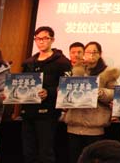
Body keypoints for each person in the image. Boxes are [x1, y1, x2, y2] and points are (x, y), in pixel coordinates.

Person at [21, 26, 72, 163]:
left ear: (52, 40)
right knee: (28, 151)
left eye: (45, 38)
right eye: (38, 39)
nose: (41, 41)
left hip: (48, 113)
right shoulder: (29, 62)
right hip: (28, 111)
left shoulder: (62, 62)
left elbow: (67, 87)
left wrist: (49, 92)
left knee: (45, 151)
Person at [64, 41, 120, 163]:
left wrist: (101, 92)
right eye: (88, 52)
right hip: (74, 124)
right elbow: (66, 91)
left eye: (95, 52)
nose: (91, 55)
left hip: (95, 125)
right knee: (74, 158)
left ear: (100, 54)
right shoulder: (76, 71)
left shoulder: (108, 73)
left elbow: (115, 93)